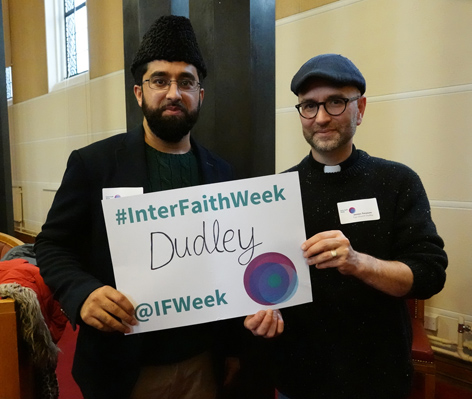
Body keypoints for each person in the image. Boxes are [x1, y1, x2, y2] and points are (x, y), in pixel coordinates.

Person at [35, 15, 279, 399]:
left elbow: (233, 264)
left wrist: (235, 347)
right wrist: (83, 293)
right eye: (160, 80)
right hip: (124, 366)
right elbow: (51, 246)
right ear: (138, 92)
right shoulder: (94, 164)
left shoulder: (222, 172)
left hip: (203, 364)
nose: (173, 93)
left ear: (201, 95)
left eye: (186, 82)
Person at [247, 54, 448, 399]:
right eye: (309, 106)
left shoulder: (397, 181)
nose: (321, 117)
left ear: (361, 108)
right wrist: (261, 307)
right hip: (298, 378)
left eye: (336, 102)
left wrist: (358, 262)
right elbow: (260, 276)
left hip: (377, 377)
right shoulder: (276, 192)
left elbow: (430, 274)